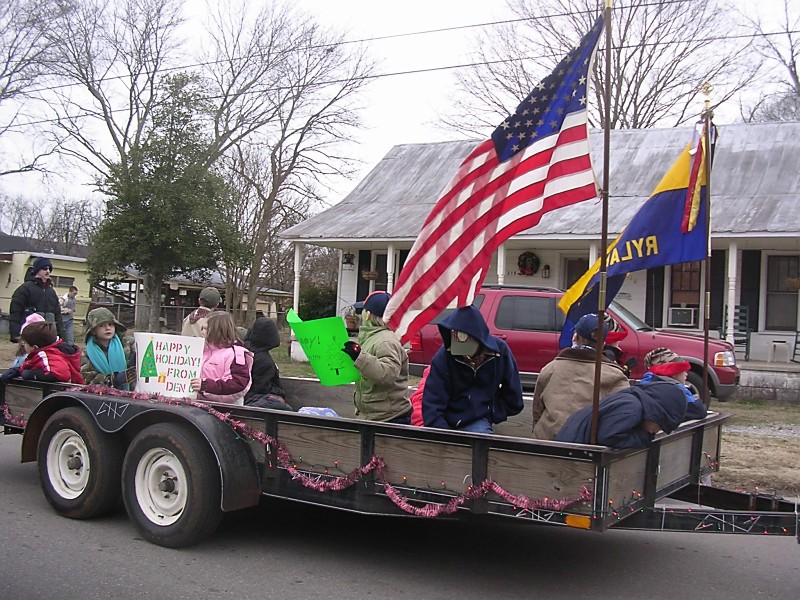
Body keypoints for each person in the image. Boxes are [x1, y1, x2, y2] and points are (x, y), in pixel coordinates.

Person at [421, 305, 524, 433]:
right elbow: (432, 402)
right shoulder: (445, 355)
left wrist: (492, 412)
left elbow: (514, 397)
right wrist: (443, 436)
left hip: (479, 421)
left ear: (478, 337)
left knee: (479, 438)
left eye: (464, 339)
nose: (460, 346)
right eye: (455, 337)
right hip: (445, 421)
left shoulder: (500, 351)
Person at [532, 313, 629, 440]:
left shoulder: (550, 368)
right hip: (588, 445)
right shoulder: (616, 375)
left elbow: (537, 410)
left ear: (575, 336)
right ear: (603, 343)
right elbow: (622, 415)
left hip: (547, 441)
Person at [340, 291, 411, 423]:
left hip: (390, 418)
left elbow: (388, 374)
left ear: (368, 315)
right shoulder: (373, 338)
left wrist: (359, 357)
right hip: (376, 415)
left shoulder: (386, 341)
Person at [554, 379, 688, 449]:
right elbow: (609, 437)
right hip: (573, 457)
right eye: (660, 426)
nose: (656, 431)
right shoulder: (632, 409)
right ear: (656, 414)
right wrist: (644, 438)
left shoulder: (632, 401)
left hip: (571, 447)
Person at [190, 311, 254, 405]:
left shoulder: (235, 355)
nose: (202, 332)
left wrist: (205, 386)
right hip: (198, 407)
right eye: (202, 328)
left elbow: (238, 384)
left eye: (206, 329)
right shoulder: (201, 350)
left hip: (224, 411)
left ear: (218, 330)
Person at [640, 347, 708, 420]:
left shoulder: (644, 385)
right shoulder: (677, 390)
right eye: (683, 370)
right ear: (673, 372)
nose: (686, 374)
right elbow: (699, 410)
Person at [8, 256, 65, 342]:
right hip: (30, 336)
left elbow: (57, 315)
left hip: (48, 336)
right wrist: (15, 334)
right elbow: (15, 312)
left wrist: (61, 334)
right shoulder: (25, 288)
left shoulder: (51, 292)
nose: (48, 271)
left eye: (49, 269)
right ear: (37, 270)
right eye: (44, 268)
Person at [81, 307, 137, 390]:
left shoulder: (128, 343)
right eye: (101, 325)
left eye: (110, 324)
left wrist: (135, 360)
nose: (107, 328)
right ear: (93, 331)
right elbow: (88, 379)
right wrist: (113, 379)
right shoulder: (87, 355)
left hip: (132, 394)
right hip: (104, 397)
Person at [243, 316, 292, 411]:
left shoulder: (245, 349)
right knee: (286, 409)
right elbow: (262, 387)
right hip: (254, 398)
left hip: (246, 396)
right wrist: (279, 390)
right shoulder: (264, 360)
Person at [16, 321, 84, 384]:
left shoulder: (46, 354)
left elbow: (60, 374)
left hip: (66, 392)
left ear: (35, 347)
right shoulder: (55, 349)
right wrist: (18, 371)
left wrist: (30, 374)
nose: (23, 345)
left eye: (25, 343)